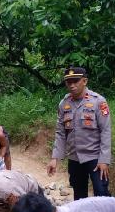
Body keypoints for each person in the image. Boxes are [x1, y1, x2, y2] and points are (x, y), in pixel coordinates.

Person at [47, 67, 111, 199]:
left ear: (85, 81)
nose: (72, 85)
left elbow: (105, 131)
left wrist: (104, 160)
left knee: (101, 191)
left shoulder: (98, 101)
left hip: (95, 156)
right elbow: (60, 133)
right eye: (68, 82)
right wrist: (55, 158)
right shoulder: (64, 104)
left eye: (75, 81)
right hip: (75, 157)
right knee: (79, 194)